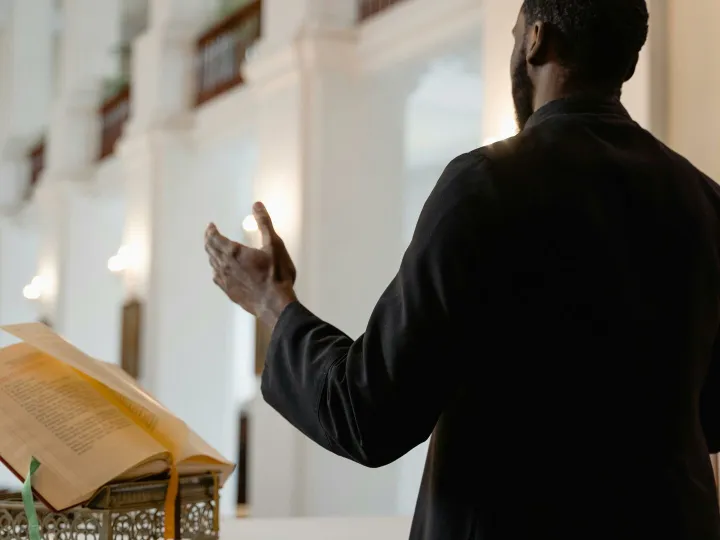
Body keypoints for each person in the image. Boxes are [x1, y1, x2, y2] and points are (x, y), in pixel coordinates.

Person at [205, 0, 720, 537]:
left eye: (516, 32)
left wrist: (271, 299)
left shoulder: (486, 186)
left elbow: (367, 415)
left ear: (537, 40)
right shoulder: (705, 202)